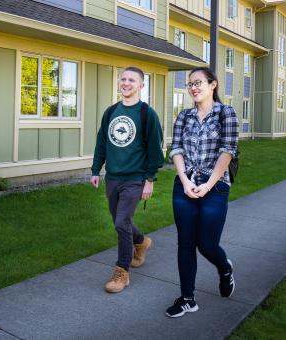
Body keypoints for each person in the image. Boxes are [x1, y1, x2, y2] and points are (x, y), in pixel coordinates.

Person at [165, 66, 238, 318]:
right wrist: (185, 181)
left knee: (206, 244)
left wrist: (207, 185)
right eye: (190, 84)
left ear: (213, 84)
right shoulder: (184, 116)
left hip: (215, 185)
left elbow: (228, 151)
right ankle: (187, 298)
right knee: (185, 243)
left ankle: (224, 267)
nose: (193, 87)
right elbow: (175, 150)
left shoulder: (225, 114)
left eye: (198, 82)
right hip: (185, 184)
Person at [90, 66, 165, 293]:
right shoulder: (111, 112)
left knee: (122, 222)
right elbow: (102, 142)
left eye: (132, 80)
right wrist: (96, 170)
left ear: (141, 85)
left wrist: (149, 180)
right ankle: (141, 242)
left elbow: (155, 151)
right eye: (123, 79)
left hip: (135, 178)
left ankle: (122, 271)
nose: (126, 83)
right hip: (113, 177)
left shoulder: (146, 114)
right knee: (120, 221)